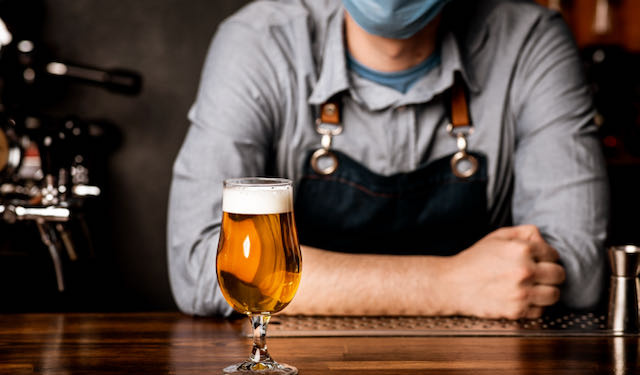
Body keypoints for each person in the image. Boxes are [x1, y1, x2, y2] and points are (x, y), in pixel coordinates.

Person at [167, 0, 609, 319]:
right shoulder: (260, 41)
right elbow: (200, 264)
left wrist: (319, 284)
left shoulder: (531, 41)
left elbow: (579, 269)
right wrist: (449, 286)